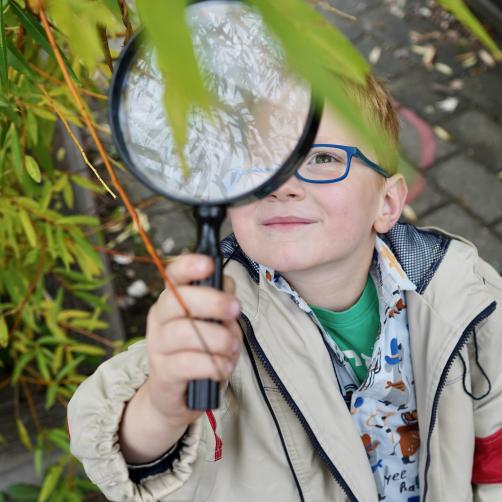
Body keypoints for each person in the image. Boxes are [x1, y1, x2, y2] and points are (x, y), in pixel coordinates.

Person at [67, 75, 502, 502]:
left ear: (386, 204)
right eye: (259, 163)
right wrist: (163, 405)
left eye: (323, 159)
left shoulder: (462, 289)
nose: (283, 186)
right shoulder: (209, 317)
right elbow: (124, 453)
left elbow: (494, 447)